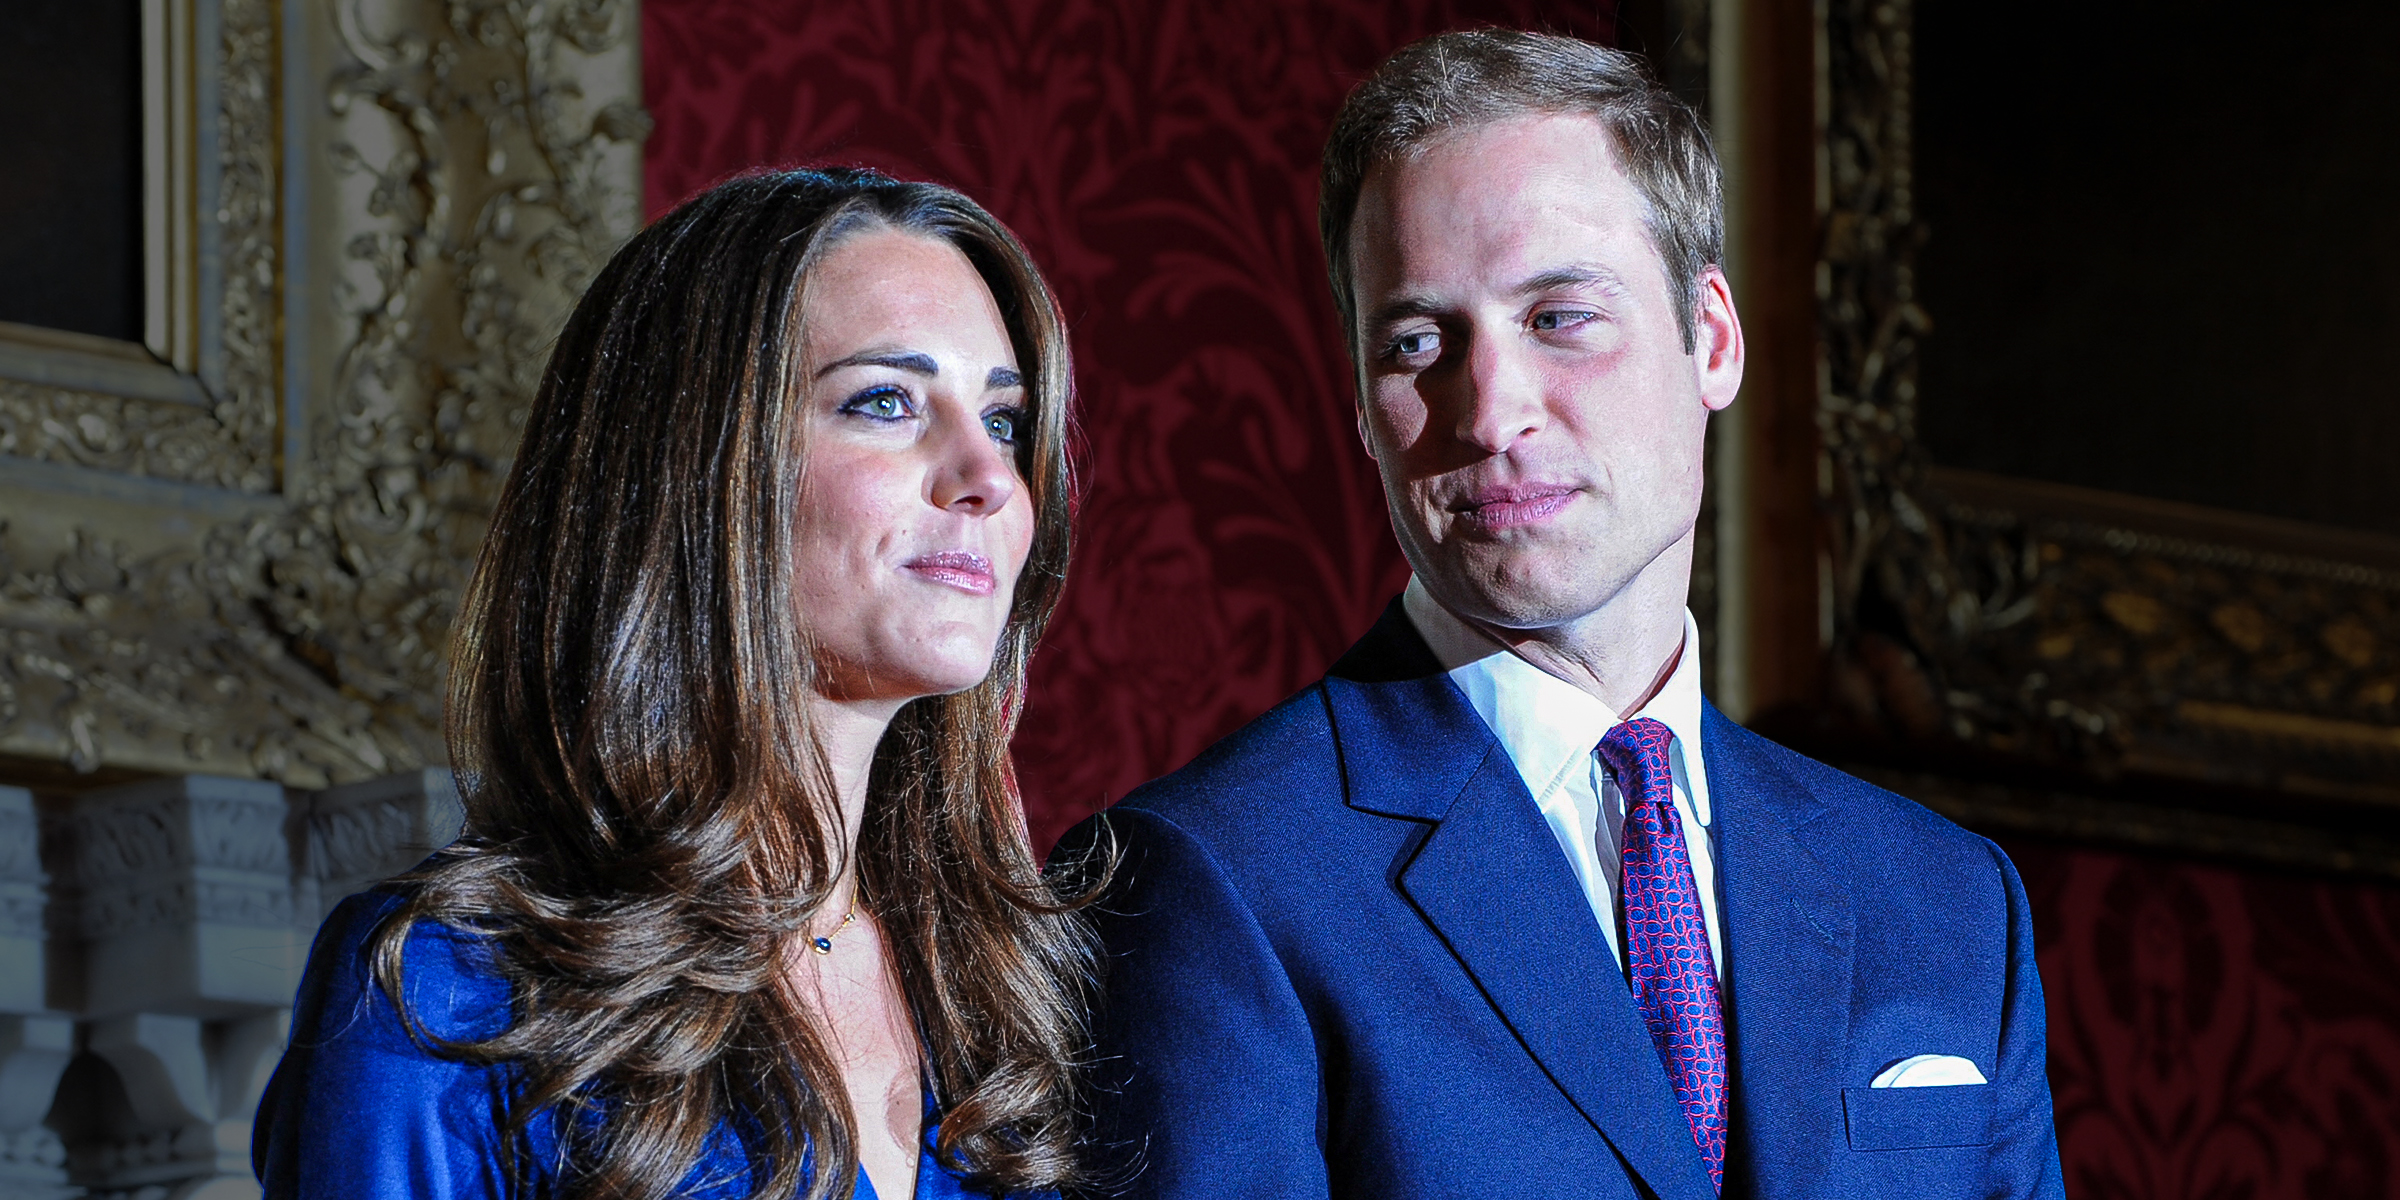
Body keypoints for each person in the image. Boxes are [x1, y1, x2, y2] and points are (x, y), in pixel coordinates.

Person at [1067, 30, 2065, 1200]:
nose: (1490, 413)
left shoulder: (1946, 902)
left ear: (1716, 339)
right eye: (1417, 342)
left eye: (1559, 317)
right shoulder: (1208, 882)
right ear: (1358, 402)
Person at [255, 169, 1097, 1200]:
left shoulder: (1012, 988)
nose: (989, 475)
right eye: (886, 402)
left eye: (1005, 421)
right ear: (700, 466)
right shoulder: (441, 990)